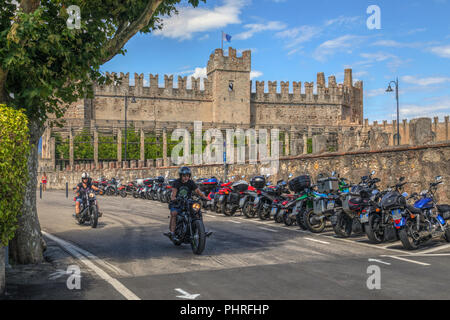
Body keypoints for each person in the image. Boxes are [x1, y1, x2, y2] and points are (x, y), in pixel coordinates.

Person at [164, 166, 208, 241]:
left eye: (187, 176)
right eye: (184, 176)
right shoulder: (176, 182)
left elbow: (197, 191)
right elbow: (174, 193)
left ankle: (201, 231)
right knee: (174, 213)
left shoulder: (191, 182)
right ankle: (172, 232)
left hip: (188, 202)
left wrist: (204, 197)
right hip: (177, 202)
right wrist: (174, 198)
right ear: (181, 176)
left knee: (197, 211)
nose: (186, 177)